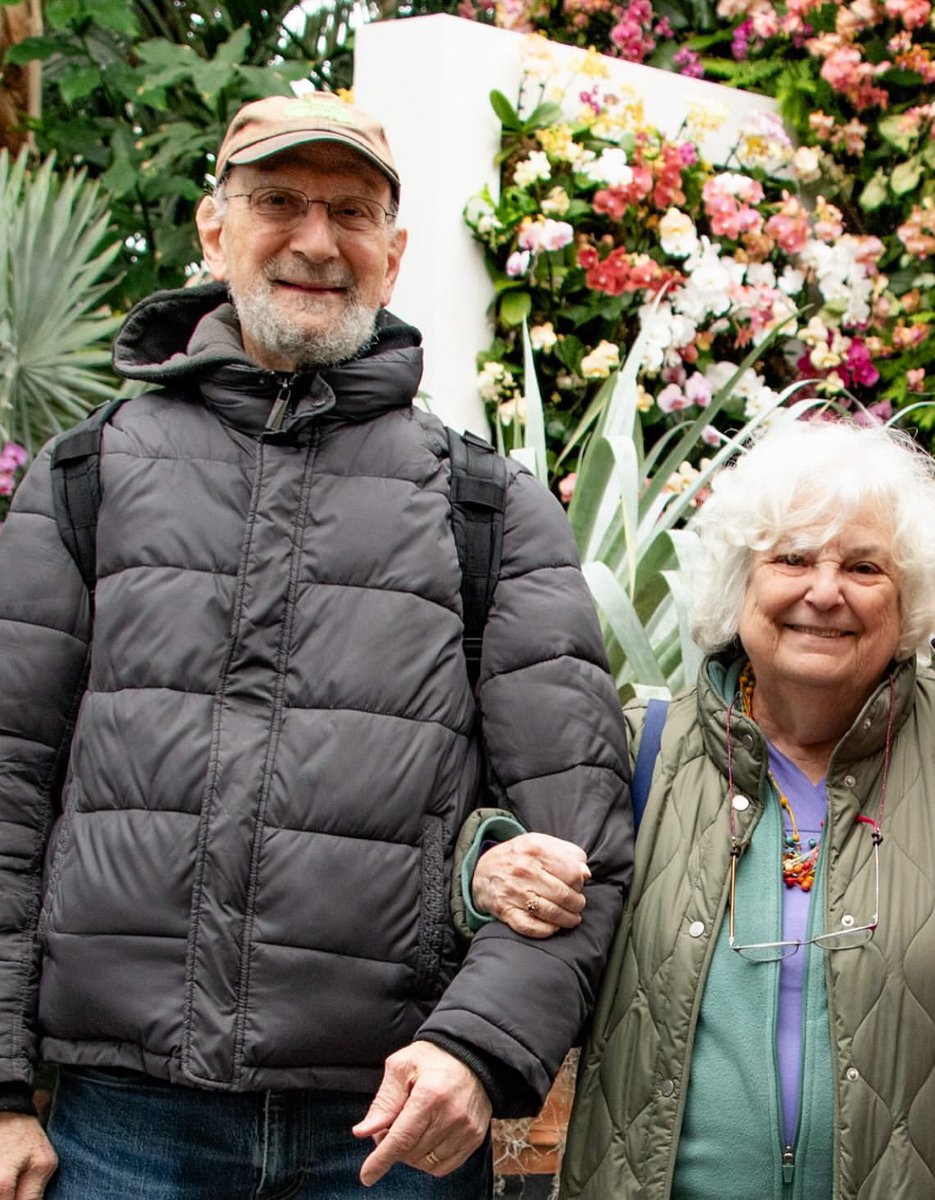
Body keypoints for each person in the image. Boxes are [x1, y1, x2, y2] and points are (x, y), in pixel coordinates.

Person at [0, 92, 634, 1198]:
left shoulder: (486, 507)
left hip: (393, 1136)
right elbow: (6, 787)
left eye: (350, 212)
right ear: (214, 229)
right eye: (278, 201)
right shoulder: (83, 480)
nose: (313, 239)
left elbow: (579, 847)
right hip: (127, 1131)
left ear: (391, 256)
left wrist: (477, 1047)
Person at [473, 418, 935, 1198]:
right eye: (792, 558)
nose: (824, 591)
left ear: (907, 600)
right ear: (740, 583)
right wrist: (489, 864)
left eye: (864, 566)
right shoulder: (642, 754)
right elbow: (476, 830)